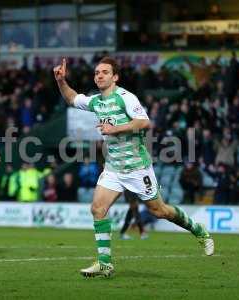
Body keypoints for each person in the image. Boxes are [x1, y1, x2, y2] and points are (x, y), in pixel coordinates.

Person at [53, 57, 214, 278]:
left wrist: (115, 128)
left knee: (160, 211)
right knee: (97, 209)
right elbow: (72, 98)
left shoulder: (125, 98)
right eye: (97, 72)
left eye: (105, 72)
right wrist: (62, 81)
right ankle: (105, 264)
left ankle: (199, 231)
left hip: (137, 167)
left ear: (115, 77)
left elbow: (143, 122)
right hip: (113, 168)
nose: (99, 75)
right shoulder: (96, 102)